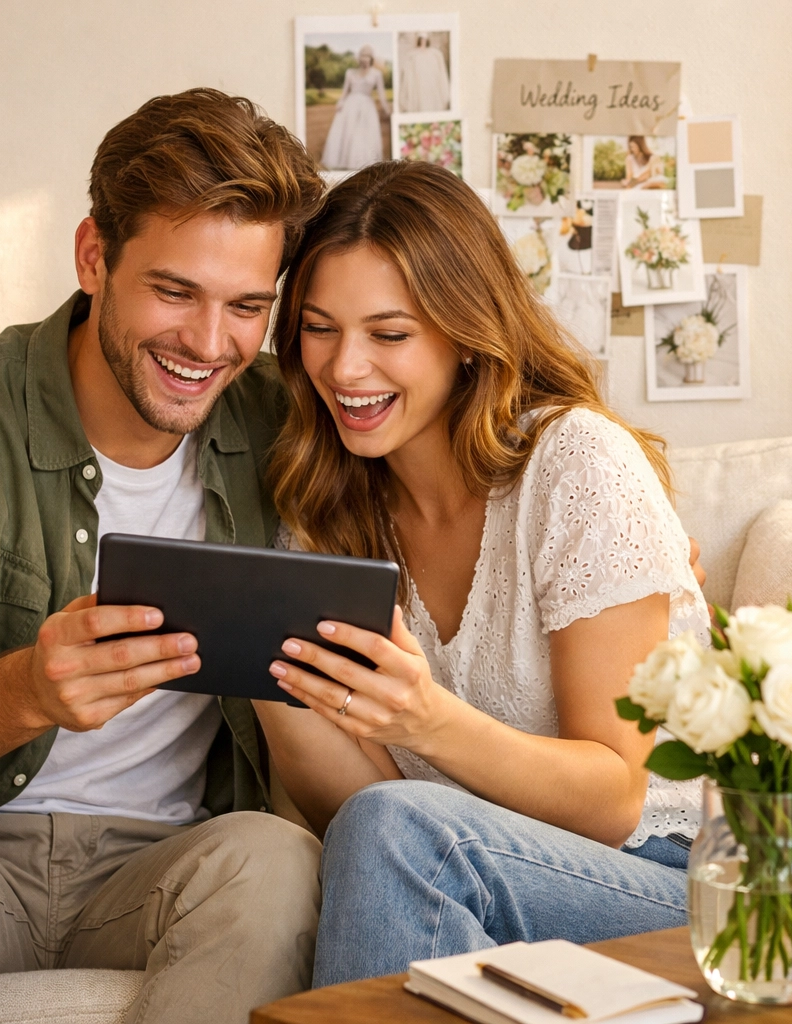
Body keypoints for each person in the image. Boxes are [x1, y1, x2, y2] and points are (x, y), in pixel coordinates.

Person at [0, 90, 325, 1024]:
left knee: (276, 855)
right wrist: (29, 690)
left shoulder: (283, 424)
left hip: (159, 868)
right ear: (94, 256)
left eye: (248, 306)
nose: (209, 345)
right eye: (174, 291)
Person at [251, 161, 710, 986]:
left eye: (389, 334)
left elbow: (617, 798)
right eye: (319, 329)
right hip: (476, 877)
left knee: (404, 833)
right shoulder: (324, 507)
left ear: (465, 332)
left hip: (673, 879)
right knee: (388, 830)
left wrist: (425, 719)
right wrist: (263, 672)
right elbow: (364, 817)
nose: (345, 369)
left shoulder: (574, 464)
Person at [320, 45, 389, 171]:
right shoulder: (350, 72)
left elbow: (381, 93)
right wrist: (340, 102)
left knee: (363, 135)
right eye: (362, 56)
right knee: (349, 133)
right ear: (359, 58)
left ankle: (363, 164)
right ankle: (347, 163)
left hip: (367, 107)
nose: (365, 59)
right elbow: (345, 91)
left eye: (367, 56)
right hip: (350, 105)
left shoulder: (376, 74)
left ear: (371, 58)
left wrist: (387, 109)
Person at [398, 33, 451, 113]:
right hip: (419, 82)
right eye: (421, 39)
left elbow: (438, 70)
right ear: (419, 40)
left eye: (424, 39)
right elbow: (410, 71)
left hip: (431, 83)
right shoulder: (413, 55)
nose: (423, 41)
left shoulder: (434, 54)